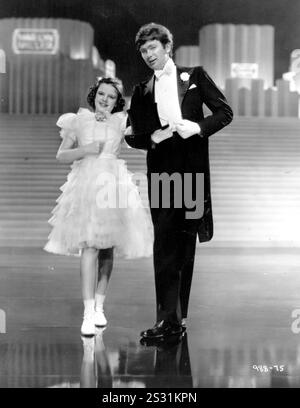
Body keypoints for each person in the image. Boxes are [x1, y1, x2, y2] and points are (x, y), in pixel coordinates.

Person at [125, 23, 233, 340]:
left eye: (152, 48)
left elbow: (225, 112)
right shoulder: (142, 89)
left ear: (167, 47)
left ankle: (178, 319)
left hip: (193, 170)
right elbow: (134, 137)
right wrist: (150, 137)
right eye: (143, 51)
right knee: (164, 244)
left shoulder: (195, 76)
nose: (148, 55)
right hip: (162, 172)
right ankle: (165, 320)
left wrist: (197, 127)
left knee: (185, 247)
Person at [44, 77, 152, 337]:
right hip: (86, 183)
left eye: (111, 96)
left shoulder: (121, 122)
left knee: (107, 248)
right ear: (94, 95)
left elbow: (139, 141)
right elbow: (61, 155)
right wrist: (87, 149)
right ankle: (87, 312)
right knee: (89, 246)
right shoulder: (78, 120)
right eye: (101, 94)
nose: (105, 99)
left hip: (112, 184)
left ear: (117, 102)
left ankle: (100, 306)